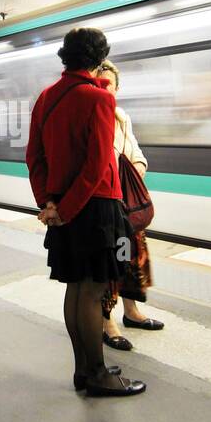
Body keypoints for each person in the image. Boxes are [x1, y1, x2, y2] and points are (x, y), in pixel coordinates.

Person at [26, 27, 146, 397]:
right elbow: (96, 165)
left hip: (64, 207)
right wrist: (69, 209)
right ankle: (97, 374)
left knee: (76, 289)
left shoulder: (46, 97)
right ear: (98, 60)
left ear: (66, 56)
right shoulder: (99, 99)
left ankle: (83, 369)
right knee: (93, 293)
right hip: (95, 208)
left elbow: (34, 157)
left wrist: (50, 204)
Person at [96, 60, 164, 352]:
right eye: (101, 84)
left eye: (110, 84)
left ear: (118, 88)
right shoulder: (92, 117)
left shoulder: (122, 118)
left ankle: (131, 311)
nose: (107, 89)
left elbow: (136, 153)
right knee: (108, 261)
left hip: (126, 205)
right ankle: (105, 321)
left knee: (130, 255)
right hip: (106, 206)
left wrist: (135, 169)